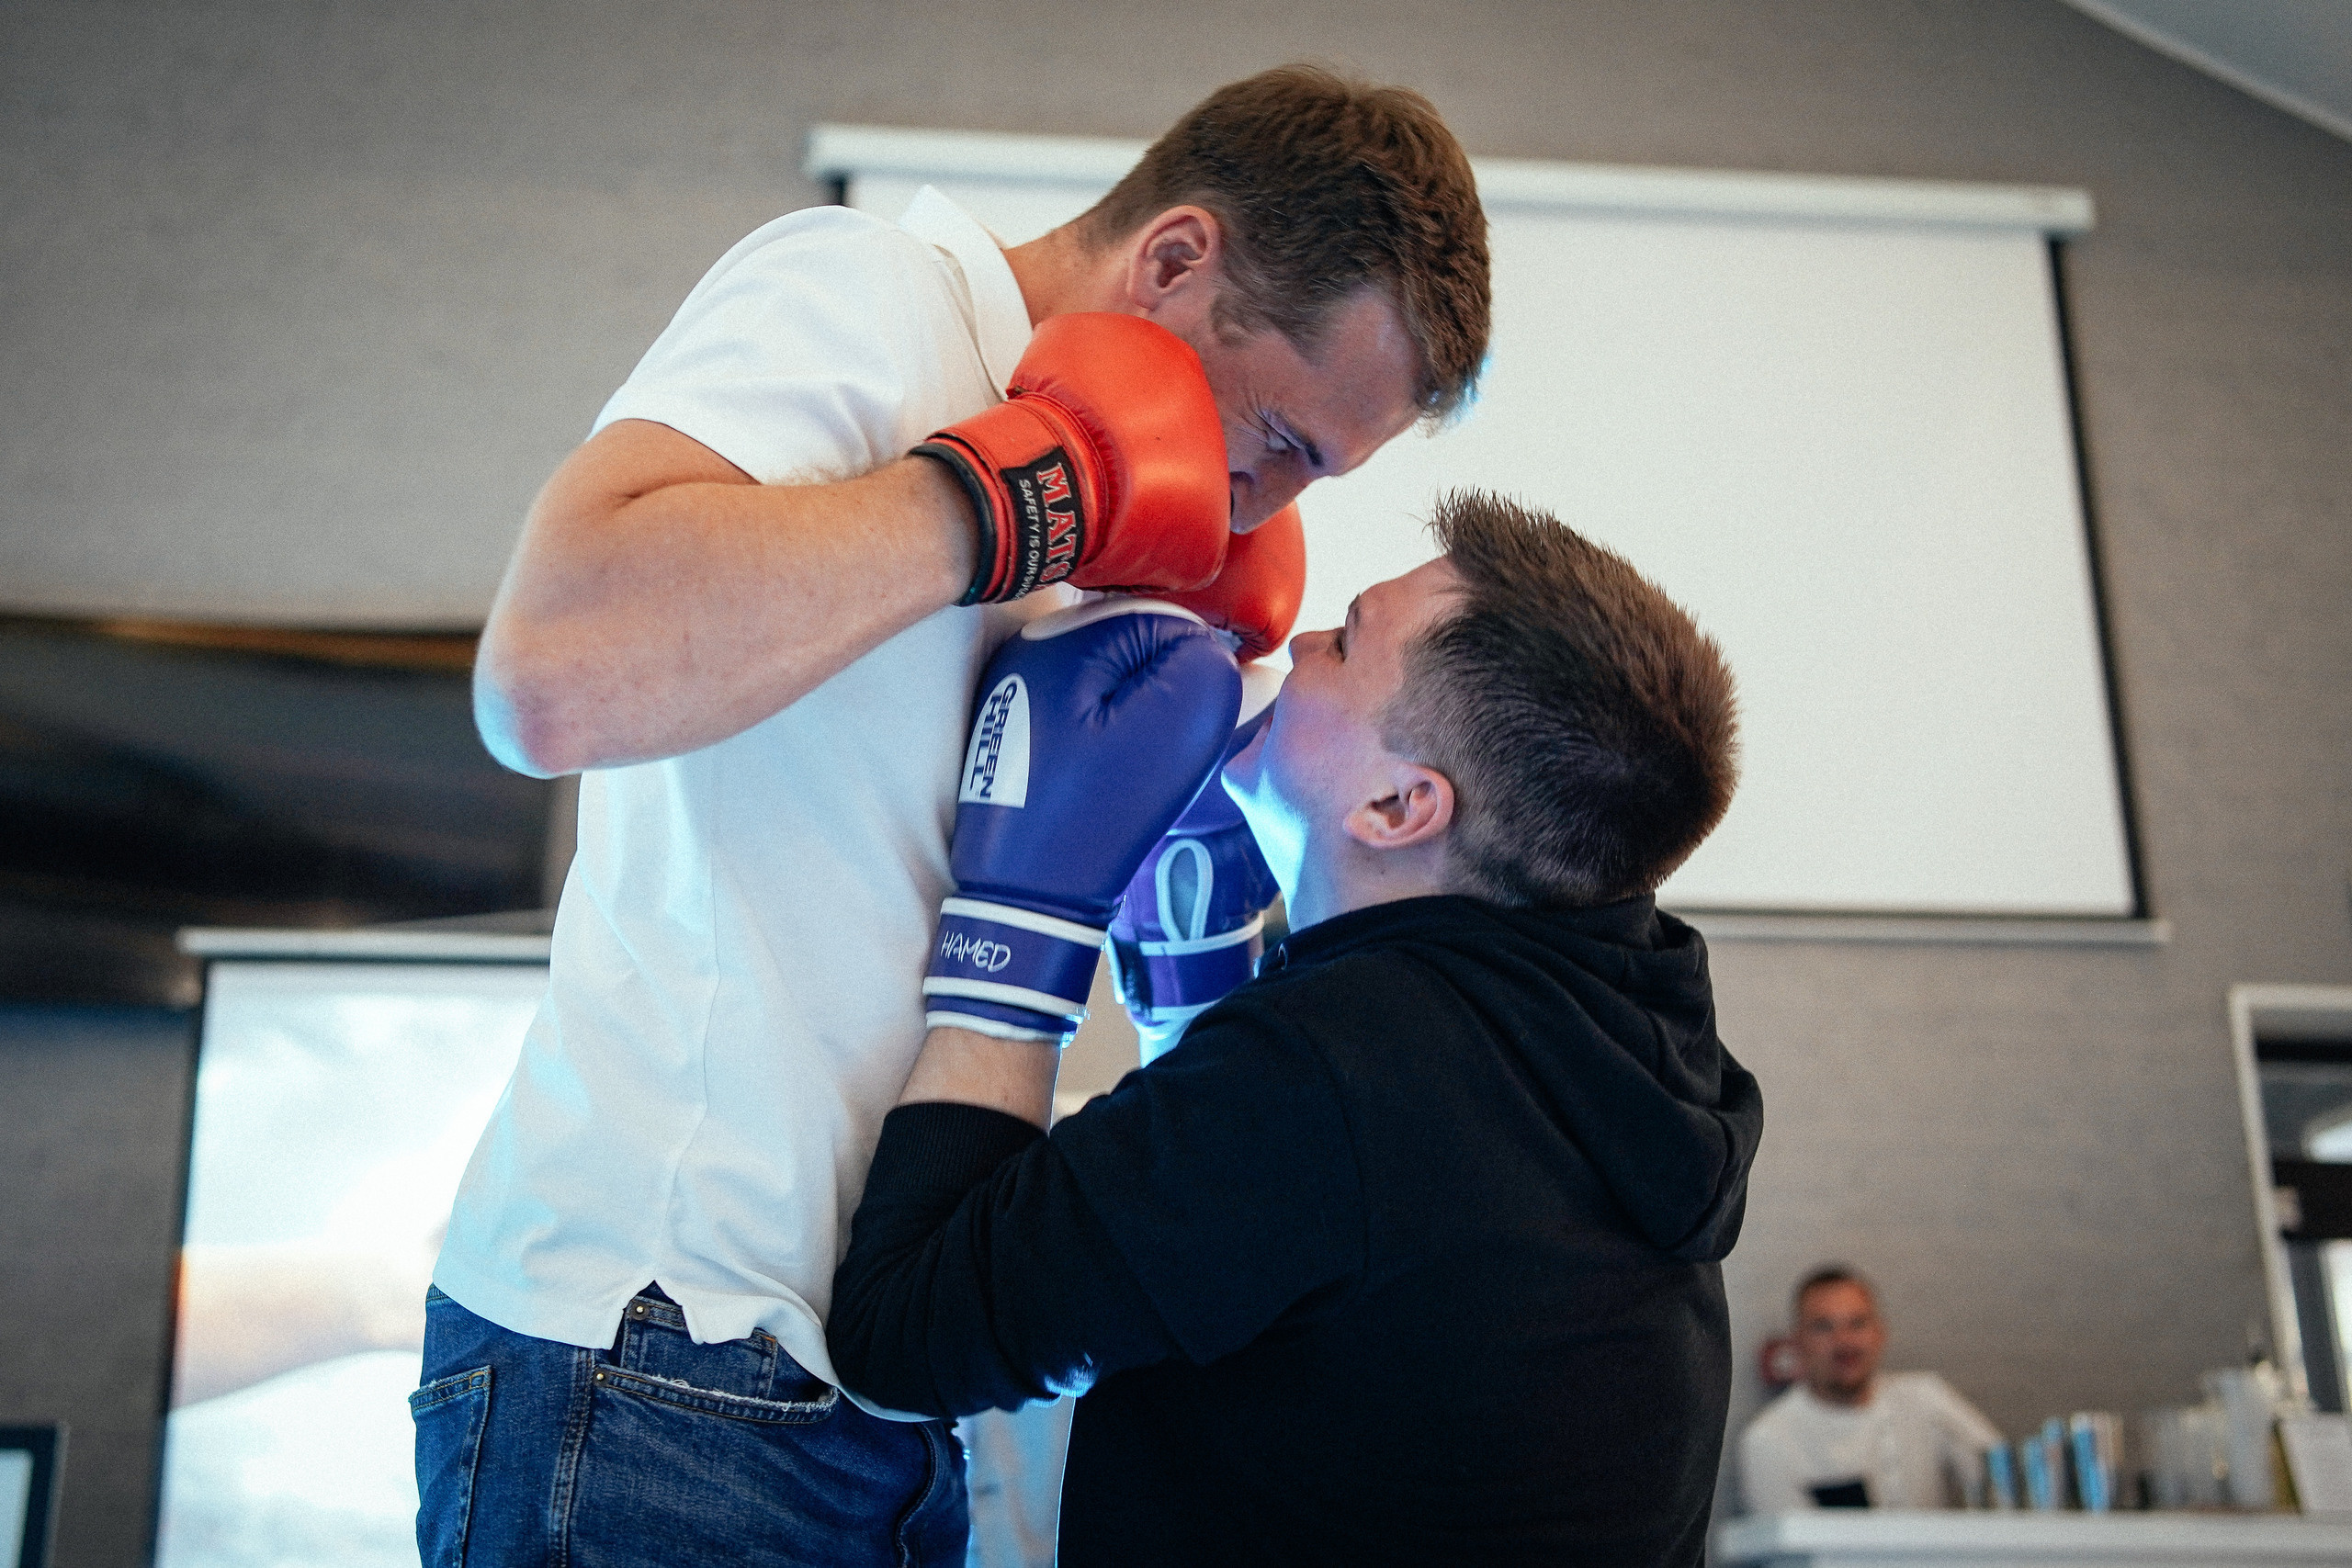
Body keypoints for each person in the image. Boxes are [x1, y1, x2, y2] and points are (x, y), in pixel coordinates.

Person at [414, 65, 1491, 1565]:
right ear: (1175, 259)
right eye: (1282, 446)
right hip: (660, 1337)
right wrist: (1006, 501)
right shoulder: (863, 295)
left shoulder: (1164, 543)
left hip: (901, 1377)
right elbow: (546, 679)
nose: (1255, 513)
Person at [827, 491, 1763, 1567]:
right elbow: (1303, 1262)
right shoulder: (1632, 1047)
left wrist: (1026, 919)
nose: (1301, 642)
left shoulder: (1341, 1066)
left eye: (1346, 641)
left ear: (1400, 807)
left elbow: (905, 1334)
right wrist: (1197, 992)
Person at [1738, 1266, 2002, 1512]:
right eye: (1824, 1327)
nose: (1844, 1342)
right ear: (1797, 1341)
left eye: (1858, 1324)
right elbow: (1792, 1555)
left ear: (1880, 1332)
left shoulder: (1926, 1398)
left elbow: (2002, 1478)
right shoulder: (1769, 1438)